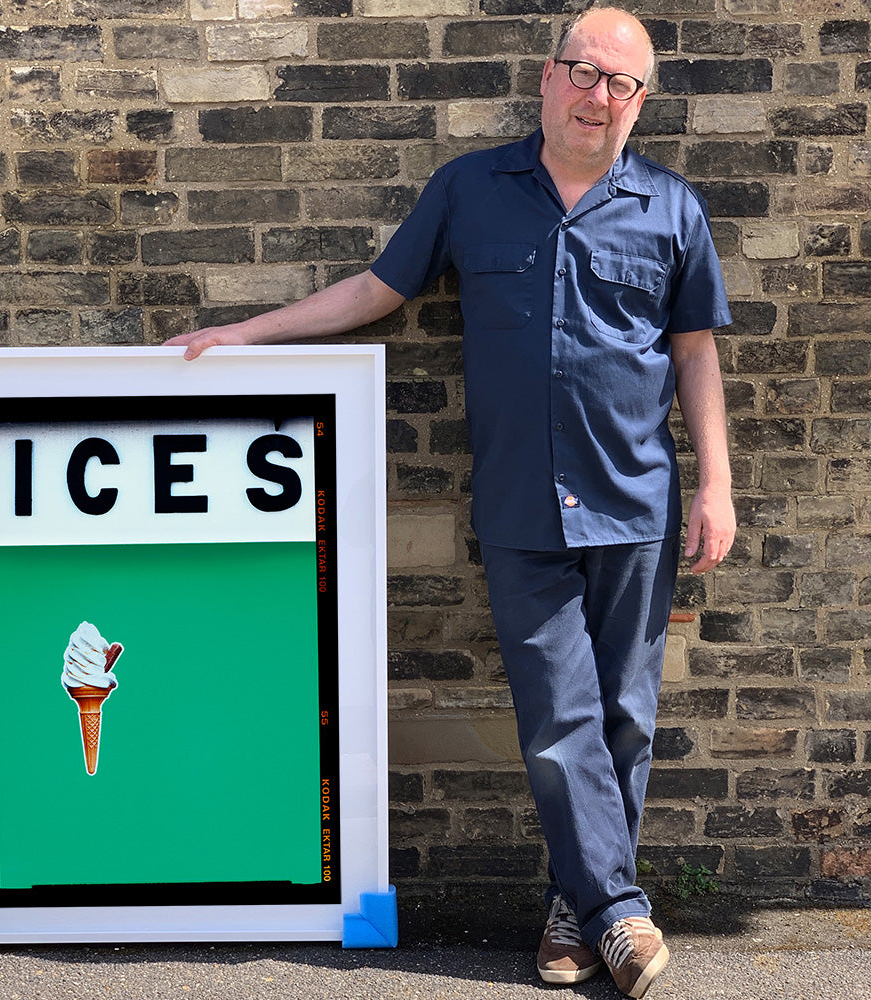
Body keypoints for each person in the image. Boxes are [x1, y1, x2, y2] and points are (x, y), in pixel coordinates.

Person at [166, 7, 736, 997]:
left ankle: (577, 913)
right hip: (522, 503)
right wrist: (249, 334)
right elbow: (376, 290)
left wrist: (719, 483)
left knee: (625, 718)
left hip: (638, 499)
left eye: (622, 85)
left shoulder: (671, 209)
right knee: (561, 720)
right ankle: (619, 913)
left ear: (641, 102)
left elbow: (694, 352)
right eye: (584, 73)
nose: (599, 96)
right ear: (546, 75)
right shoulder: (470, 189)